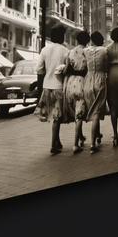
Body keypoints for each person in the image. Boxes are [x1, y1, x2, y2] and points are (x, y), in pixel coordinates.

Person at [35, 25, 69, 154]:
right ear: (61, 37)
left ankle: (57, 141)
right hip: (59, 86)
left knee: (54, 116)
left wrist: (47, 71)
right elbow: (67, 69)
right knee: (57, 117)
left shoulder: (44, 50)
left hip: (47, 86)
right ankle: (53, 144)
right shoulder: (65, 51)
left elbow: (39, 69)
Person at [63, 31, 90, 153]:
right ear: (87, 40)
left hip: (70, 83)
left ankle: (81, 136)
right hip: (82, 82)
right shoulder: (87, 52)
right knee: (79, 114)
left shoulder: (70, 52)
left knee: (76, 111)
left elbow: (66, 69)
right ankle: (75, 144)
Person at [84, 31, 109, 152]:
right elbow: (106, 66)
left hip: (88, 81)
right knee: (96, 112)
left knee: (93, 109)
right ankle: (93, 143)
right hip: (99, 80)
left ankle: (98, 135)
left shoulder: (86, 51)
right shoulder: (104, 51)